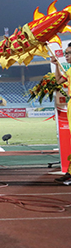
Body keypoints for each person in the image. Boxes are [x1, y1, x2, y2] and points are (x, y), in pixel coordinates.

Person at [52, 45, 71, 185]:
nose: (66, 56)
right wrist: (57, 65)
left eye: (68, 53)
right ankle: (70, 172)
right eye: (65, 53)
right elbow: (59, 80)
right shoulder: (69, 71)